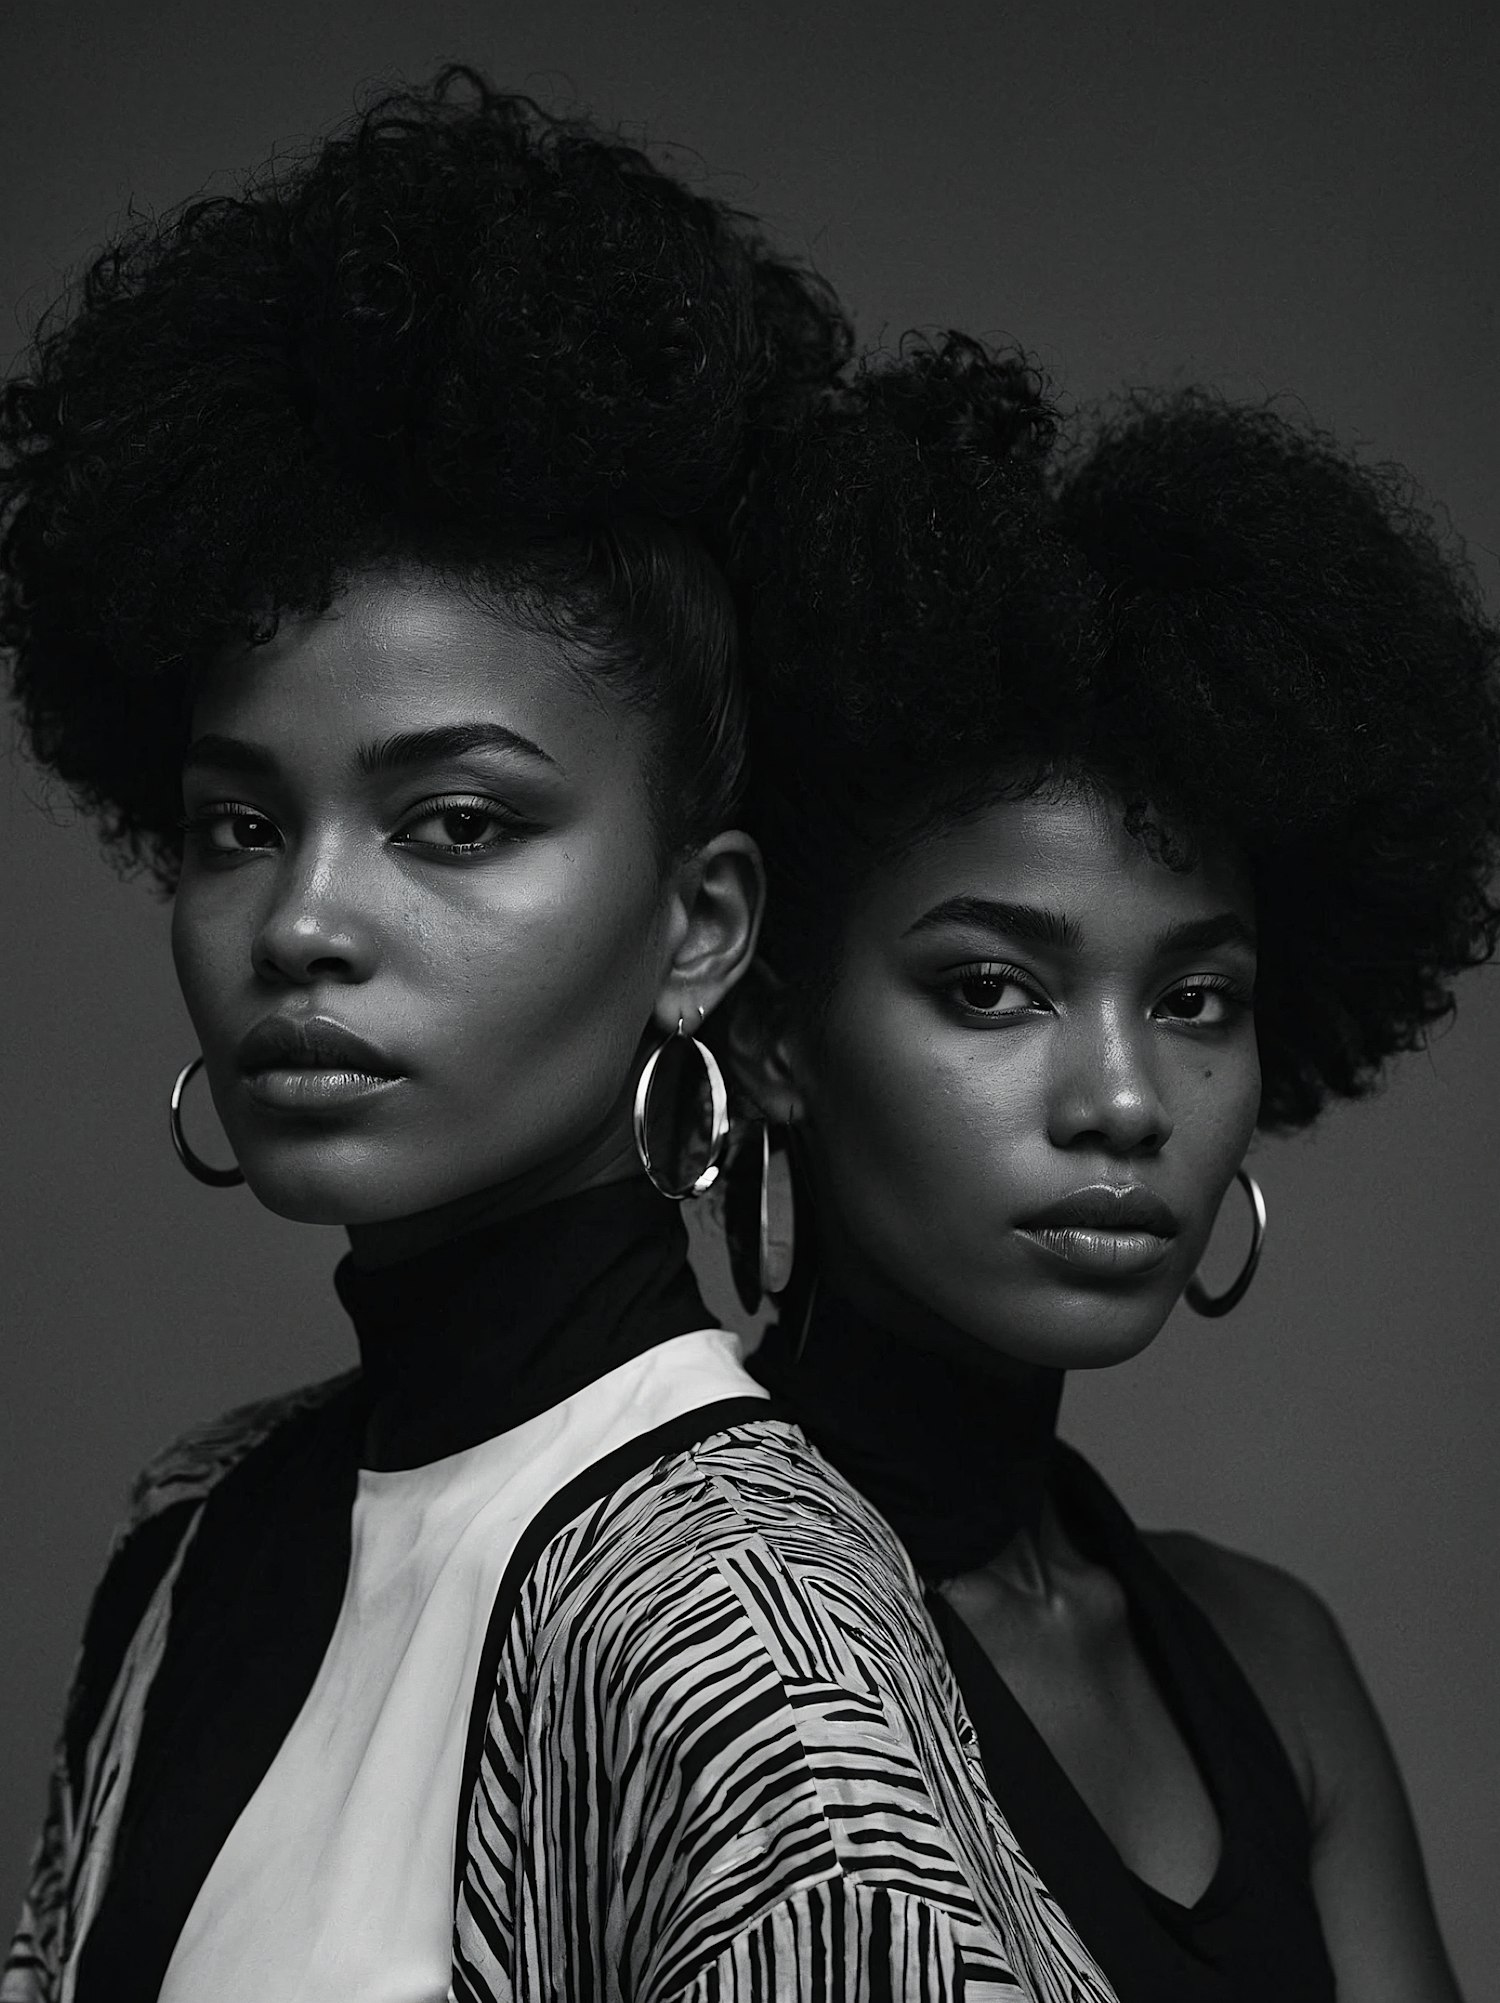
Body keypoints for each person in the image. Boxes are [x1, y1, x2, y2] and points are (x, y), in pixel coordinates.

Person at [0, 79, 1132, 2003]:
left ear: (699, 929)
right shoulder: (199, 1545)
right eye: (237, 825)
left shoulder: (752, 1626)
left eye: (456, 822)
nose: (304, 921)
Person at [725, 335, 1498, 2000]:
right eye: (992, 988)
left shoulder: (1267, 1661)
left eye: (1195, 997)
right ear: (777, 1032)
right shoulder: (667, 1630)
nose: (1127, 1100)